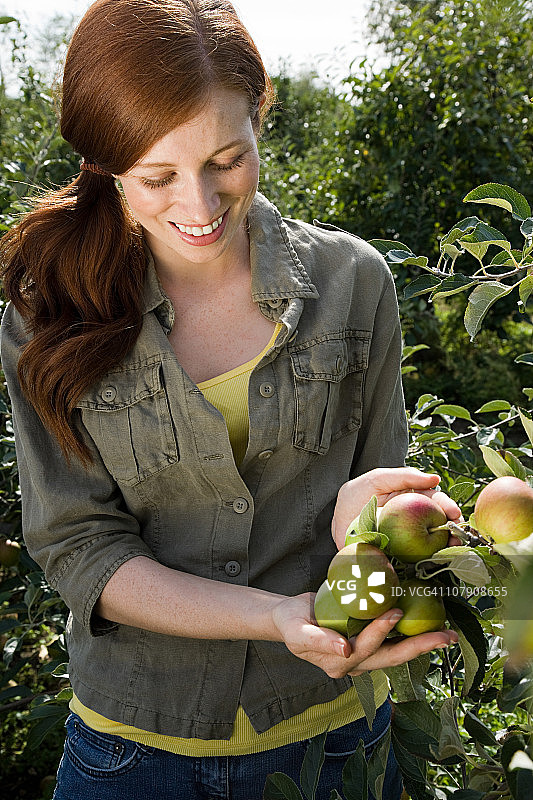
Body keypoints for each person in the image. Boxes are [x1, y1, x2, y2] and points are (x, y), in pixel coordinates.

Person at [0, 1, 460, 798]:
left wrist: (369, 516)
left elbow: (379, 501)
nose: (201, 205)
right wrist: (271, 616)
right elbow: (80, 547)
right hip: (133, 750)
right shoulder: (49, 310)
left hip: (332, 738)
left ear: (259, 117)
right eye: (157, 176)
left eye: (226, 160)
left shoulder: (353, 283)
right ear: (106, 164)